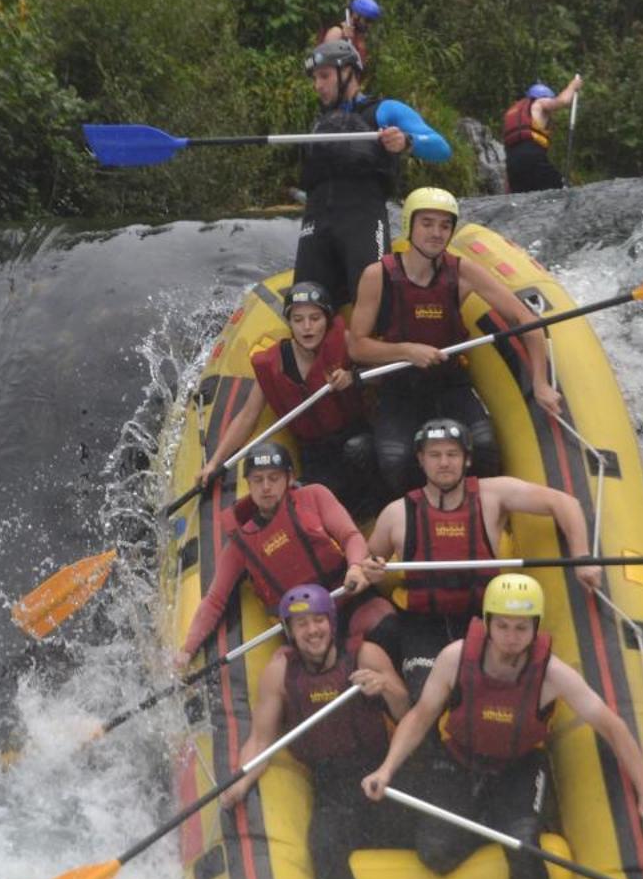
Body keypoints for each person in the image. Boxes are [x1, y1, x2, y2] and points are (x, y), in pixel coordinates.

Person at [361, 573, 643, 879]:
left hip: (518, 769)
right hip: (460, 761)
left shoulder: (551, 674)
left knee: (525, 847)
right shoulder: (454, 658)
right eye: (503, 626)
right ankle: (493, 826)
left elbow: (611, 726)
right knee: (435, 853)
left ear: (535, 629)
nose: (511, 638)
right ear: (487, 623)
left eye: (522, 628)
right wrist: (387, 769)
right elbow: (420, 717)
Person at [220, 583, 412, 879]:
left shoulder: (365, 656)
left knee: (441, 843)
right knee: (323, 853)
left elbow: (406, 712)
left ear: (332, 622)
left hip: (382, 776)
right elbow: (262, 741)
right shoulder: (280, 672)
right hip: (333, 788)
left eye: (318, 621)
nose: (312, 631)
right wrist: (241, 781)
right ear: (289, 631)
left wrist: (383, 687)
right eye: (301, 624)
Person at [358, 417, 600, 700]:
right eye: (435, 455)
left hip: (481, 616)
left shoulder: (493, 495)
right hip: (422, 624)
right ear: (421, 461)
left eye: (452, 454)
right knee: (428, 696)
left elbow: (564, 503)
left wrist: (582, 557)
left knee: (488, 699)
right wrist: (370, 571)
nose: (444, 463)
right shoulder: (396, 513)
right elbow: (366, 565)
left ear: (467, 459)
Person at [347, 187, 561, 496]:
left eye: (444, 226)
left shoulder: (464, 272)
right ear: (410, 225)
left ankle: (478, 513)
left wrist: (541, 382)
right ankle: (412, 515)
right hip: (399, 388)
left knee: (484, 447)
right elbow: (357, 347)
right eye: (427, 223)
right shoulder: (377, 275)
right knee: (395, 460)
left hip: (450, 383)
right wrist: (406, 351)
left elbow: (524, 319)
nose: (436, 233)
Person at [173, 443, 392, 672]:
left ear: (289, 478)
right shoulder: (241, 542)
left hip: (346, 599)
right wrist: (187, 650)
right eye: (258, 480)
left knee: (384, 622)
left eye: (273, 478)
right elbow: (215, 600)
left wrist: (355, 566)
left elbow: (351, 537)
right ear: (248, 484)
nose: (266, 487)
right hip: (305, 625)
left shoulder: (314, 496)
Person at [293, 38, 450, 312]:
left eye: (325, 76)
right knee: (304, 306)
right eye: (315, 78)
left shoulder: (385, 111)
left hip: (362, 221)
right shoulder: (318, 125)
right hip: (317, 222)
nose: (318, 85)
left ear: (349, 72)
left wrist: (407, 141)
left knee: (376, 305)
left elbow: (441, 148)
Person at [195, 281, 379, 515]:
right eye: (298, 319)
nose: (307, 327)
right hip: (316, 454)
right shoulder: (274, 364)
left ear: (327, 319)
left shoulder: (345, 342)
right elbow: (247, 417)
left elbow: (383, 378)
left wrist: (354, 377)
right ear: (290, 323)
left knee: (359, 449)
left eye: (315, 318)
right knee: (297, 498)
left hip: (354, 438)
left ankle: (368, 507)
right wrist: (215, 463)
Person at [500, 76, 580, 194]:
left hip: (513, 169)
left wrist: (507, 190)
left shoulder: (512, 114)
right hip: (532, 160)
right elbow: (563, 101)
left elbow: (509, 160)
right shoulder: (540, 102)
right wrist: (573, 86)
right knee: (561, 191)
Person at [317, 0, 382, 71]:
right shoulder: (337, 32)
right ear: (355, 15)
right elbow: (323, 64)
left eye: (372, 22)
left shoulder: (359, 38)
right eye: (367, 21)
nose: (369, 26)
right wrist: (343, 42)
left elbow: (359, 67)